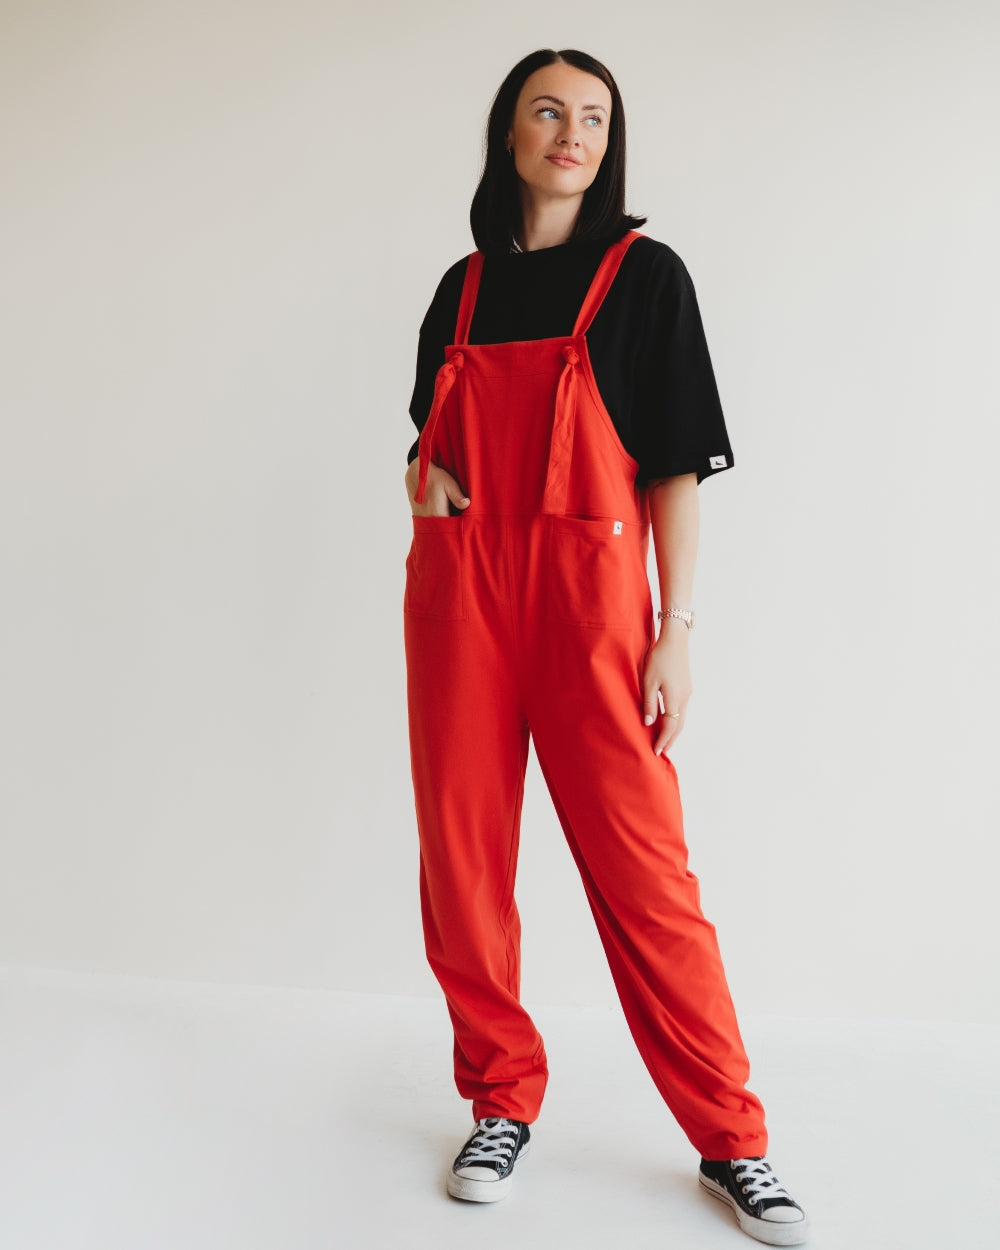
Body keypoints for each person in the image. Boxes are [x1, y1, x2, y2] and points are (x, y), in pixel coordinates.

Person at [402, 47, 809, 1247]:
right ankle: (498, 1097)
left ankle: (733, 1138)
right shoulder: (461, 289)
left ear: (608, 140)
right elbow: (430, 444)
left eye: (592, 116)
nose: (570, 132)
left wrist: (674, 631)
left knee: (645, 878)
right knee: (462, 865)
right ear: (509, 135)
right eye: (547, 111)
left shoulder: (645, 278)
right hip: (459, 605)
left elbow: (675, 465)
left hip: (592, 613)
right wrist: (419, 487)